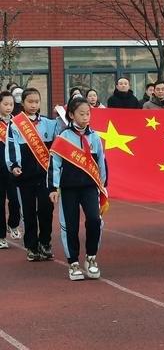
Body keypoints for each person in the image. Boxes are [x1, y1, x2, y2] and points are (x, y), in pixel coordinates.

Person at [48, 97, 107, 281]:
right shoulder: (63, 138)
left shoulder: (95, 136)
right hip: (69, 189)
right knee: (70, 226)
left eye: (88, 113)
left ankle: (91, 258)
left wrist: (103, 185)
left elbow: (101, 162)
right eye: (81, 114)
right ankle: (73, 262)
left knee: (94, 220)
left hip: (90, 187)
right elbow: (54, 165)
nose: (85, 117)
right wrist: (53, 187)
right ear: (71, 115)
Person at [6, 88, 58, 261]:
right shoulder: (16, 124)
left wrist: (63, 112)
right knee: (28, 213)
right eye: (30, 102)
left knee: (46, 210)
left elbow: (64, 129)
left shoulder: (49, 124)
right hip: (24, 177)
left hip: (45, 176)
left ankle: (45, 242)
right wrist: (14, 165)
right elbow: (11, 146)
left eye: (37, 102)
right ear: (23, 103)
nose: (34, 105)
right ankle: (31, 246)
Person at [0, 91, 22, 249]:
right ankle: (1, 236)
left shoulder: (16, 123)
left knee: (15, 201)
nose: (9, 107)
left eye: (11, 105)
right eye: (5, 104)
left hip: (12, 169)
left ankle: (13, 224)